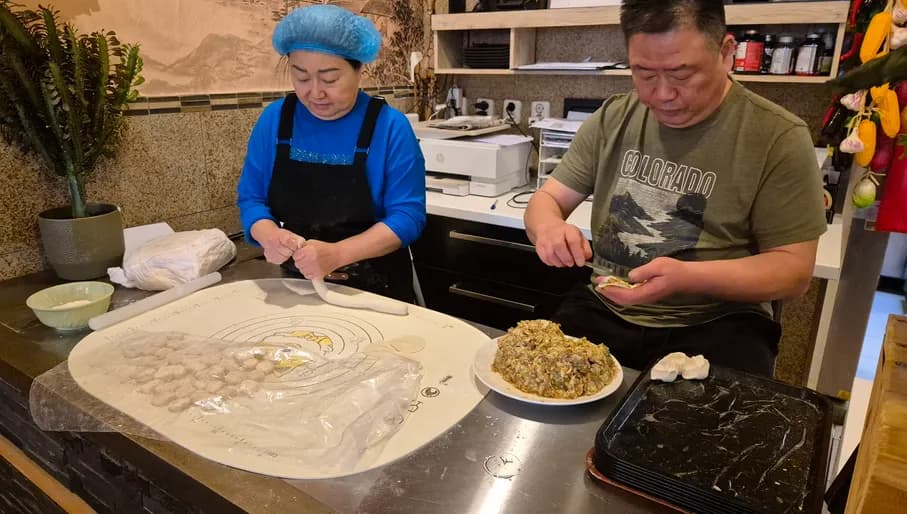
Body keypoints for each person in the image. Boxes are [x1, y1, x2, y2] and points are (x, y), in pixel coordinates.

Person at [524, 0, 827, 376]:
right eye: (644, 73)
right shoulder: (614, 117)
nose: (661, 94)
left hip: (717, 322)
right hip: (606, 306)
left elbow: (794, 272)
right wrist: (549, 228)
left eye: (682, 74)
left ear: (727, 52)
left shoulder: (778, 136)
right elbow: (547, 199)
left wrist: (688, 277)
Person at [237, 5, 426, 302]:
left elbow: (408, 216)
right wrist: (269, 235)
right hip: (296, 286)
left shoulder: (390, 127)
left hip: (378, 290)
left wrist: (338, 253)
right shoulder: (276, 120)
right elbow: (252, 200)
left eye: (329, 79)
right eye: (301, 77)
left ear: (359, 69)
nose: (315, 92)